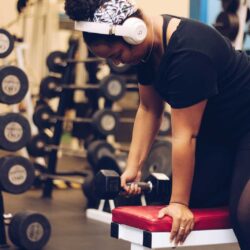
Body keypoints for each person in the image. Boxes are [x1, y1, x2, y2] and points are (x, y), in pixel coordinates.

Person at [65, 0, 250, 248]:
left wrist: (179, 204)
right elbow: (149, 109)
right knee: (197, 197)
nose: (118, 63)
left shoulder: (189, 53)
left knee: (244, 215)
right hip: (221, 134)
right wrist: (133, 167)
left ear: (134, 31)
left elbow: (186, 136)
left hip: (246, 127)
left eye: (117, 55)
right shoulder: (149, 53)